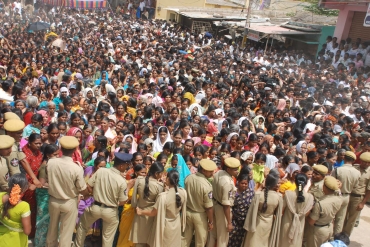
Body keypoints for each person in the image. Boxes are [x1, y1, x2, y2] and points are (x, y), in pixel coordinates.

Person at [74, 152, 132, 247]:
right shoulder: (122, 181)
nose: (127, 167)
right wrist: (128, 187)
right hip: (111, 210)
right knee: (107, 238)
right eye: (127, 165)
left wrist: (95, 194)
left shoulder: (101, 171)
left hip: (95, 206)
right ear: (121, 166)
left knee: (82, 227)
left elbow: (89, 186)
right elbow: (122, 202)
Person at [46, 136, 89, 247]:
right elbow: (81, 188)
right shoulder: (76, 167)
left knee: (52, 229)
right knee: (66, 233)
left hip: (53, 200)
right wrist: (88, 194)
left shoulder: (51, 162)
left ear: (60, 148)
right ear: (75, 150)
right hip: (69, 201)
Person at [136, 170, 187, 247]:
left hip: (165, 226)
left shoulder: (163, 197)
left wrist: (141, 212)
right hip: (176, 224)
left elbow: (154, 212)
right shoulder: (183, 192)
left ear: (168, 179)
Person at [243, 171, 283, 247]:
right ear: (274, 185)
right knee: (264, 243)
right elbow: (278, 213)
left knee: (252, 242)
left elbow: (252, 210)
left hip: (256, 222)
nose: (279, 184)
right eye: (278, 183)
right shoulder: (279, 197)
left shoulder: (258, 195)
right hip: (269, 223)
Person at [182, 159, 217, 247]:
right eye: (210, 171)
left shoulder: (189, 178)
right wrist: (211, 222)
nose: (212, 173)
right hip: (200, 216)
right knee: (200, 241)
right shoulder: (206, 186)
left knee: (185, 239)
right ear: (204, 170)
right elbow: (209, 207)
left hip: (187, 212)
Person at [129, 162, 164, 246]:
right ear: (156, 174)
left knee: (139, 242)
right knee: (150, 242)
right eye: (161, 173)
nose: (162, 175)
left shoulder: (139, 180)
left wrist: (135, 207)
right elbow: (159, 204)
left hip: (139, 214)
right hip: (152, 216)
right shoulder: (160, 186)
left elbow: (133, 201)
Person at [207, 157, 240, 247]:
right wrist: (229, 222)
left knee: (212, 235)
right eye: (235, 169)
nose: (237, 171)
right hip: (222, 210)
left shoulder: (219, 172)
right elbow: (226, 204)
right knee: (223, 238)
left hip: (213, 204)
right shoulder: (228, 183)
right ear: (228, 169)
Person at [3, 119, 41, 188]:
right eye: (18, 133)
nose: (21, 135)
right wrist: (28, 184)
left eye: (22, 132)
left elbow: (23, 160)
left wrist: (34, 178)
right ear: (9, 133)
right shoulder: (11, 149)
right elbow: (15, 172)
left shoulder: (16, 143)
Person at [306, 176, 343, 247]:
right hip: (329, 227)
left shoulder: (320, 204)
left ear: (324, 187)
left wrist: (307, 213)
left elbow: (311, 221)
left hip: (318, 231)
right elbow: (338, 192)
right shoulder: (339, 199)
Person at [34, 144, 60, 247]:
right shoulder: (45, 166)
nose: (58, 156)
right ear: (48, 155)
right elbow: (41, 184)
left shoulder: (51, 164)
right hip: (44, 197)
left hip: (50, 195)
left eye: (58, 154)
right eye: (55, 154)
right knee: (43, 223)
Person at [279, 173, 314, 247]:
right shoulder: (310, 197)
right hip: (299, 225)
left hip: (286, 224)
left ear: (295, 182)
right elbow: (307, 213)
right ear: (306, 183)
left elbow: (281, 209)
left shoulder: (288, 194)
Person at [117, 164, 147, 247]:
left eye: (145, 173)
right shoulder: (129, 182)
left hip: (140, 212)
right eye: (142, 173)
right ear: (136, 173)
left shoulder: (147, 183)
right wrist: (129, 187)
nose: (144, 174)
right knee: (125, 235)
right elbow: (123, 196)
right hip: (128, 210)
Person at [331, 151, 360, 235]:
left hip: (336, 195)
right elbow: (355, 186)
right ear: (353, 161)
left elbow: (332, 183)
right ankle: (336, 237)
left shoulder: (338, 170)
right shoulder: (357, 172)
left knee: (332, 217)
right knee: (340, 218)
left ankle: (329, 237)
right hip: (347, 196)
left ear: (344, 158)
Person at [343, 152, 370, 236]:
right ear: (360, 161)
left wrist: (362, 203)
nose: (365, 164)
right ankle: (339, 234)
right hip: (348, 194)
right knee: (343, 216)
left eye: (368, 162)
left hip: (358, 198)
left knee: (352, 219)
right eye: (364, 161)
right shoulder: (354, 167)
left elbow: (369, 190)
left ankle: (345, 236)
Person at [0, 174, 31, 247]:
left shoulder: (1, 195)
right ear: (25, 188)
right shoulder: (24, 206)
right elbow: (27, 231)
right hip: (17, 241)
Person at [228, 172, 255, 247]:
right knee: (230, 240)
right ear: (238, 182)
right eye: (242, 183)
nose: (244, 185)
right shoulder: (233, 191)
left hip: (244, 222)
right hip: (234, 220)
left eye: (246, 184)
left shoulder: (251, 193)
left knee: (240, 242)